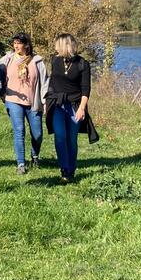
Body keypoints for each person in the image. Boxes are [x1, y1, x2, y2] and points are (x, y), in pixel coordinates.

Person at [43, 33, 95, 183]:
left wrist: (82, 108)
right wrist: (47, 103)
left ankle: (71, 169)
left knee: (72, 139)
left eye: (57, 44)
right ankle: (64, 169)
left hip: (75, 105)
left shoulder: (82, 64)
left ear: (65, 45)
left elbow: (86, 89)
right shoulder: (55, 60)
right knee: (60, 136)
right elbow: (52, 83)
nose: (55, 47)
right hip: (57, 104)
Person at [0, 32, 49, 174]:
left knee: (37, 134)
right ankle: (21, 164)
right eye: (14, 43)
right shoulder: (7, 59)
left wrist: (45, 101)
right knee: (19, 130)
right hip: (13, 101)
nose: (16, 46)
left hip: (33, 102)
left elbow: (45, 82)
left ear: (27, 45)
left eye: (19, 43)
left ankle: (35, 155)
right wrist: (1, 93)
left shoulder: (37, 61)